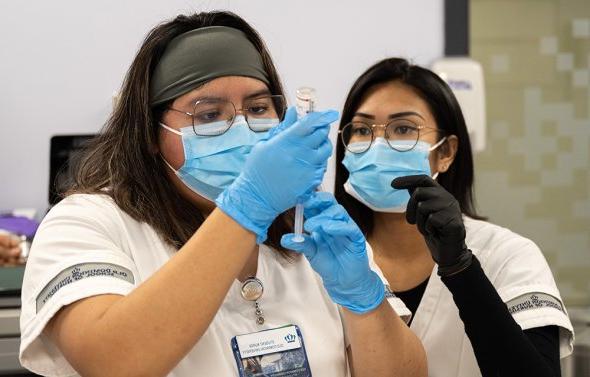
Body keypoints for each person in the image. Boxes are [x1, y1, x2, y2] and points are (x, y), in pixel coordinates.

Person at [19, 13, 426, 377]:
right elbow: (113, 362)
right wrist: (249, 204)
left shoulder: (310, 229)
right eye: (209, 114)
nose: (244, 128)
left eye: (258, 107)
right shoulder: (86, 223)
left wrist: (363, 298)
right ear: (149, 134)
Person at [333, 57, 574, 377]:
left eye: (403, 128)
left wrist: (461, 268)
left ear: (445, 152)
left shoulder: (507, 256)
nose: (378, 144)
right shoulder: (324, 257)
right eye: (362, 129)